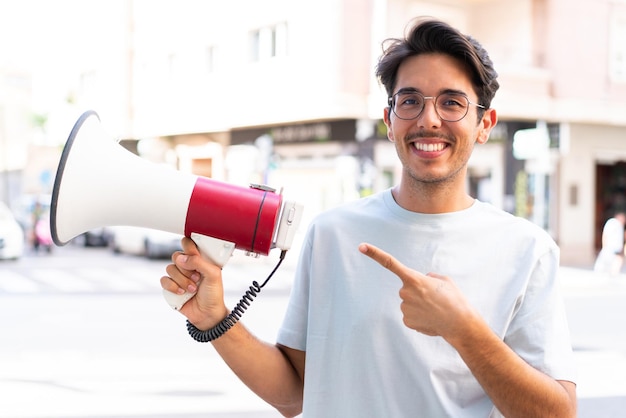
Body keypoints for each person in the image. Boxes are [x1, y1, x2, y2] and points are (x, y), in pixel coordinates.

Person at [161, 18, 577, 417]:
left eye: (452, 102)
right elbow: (293, 395)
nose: (428, 119)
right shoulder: (332, 234)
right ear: (389, 120)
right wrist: (216, 319)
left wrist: (465, 330)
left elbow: (558, 413)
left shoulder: (527, 249)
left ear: (484, 124)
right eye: (410, 101)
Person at [593, 211, 626, 276]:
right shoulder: (612, 223)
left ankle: (614, 273)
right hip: (610, 248)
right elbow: (606, 235)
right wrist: (604, 245)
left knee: (618, 260)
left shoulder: (619, 225)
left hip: (616, 248)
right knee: (606, 262)